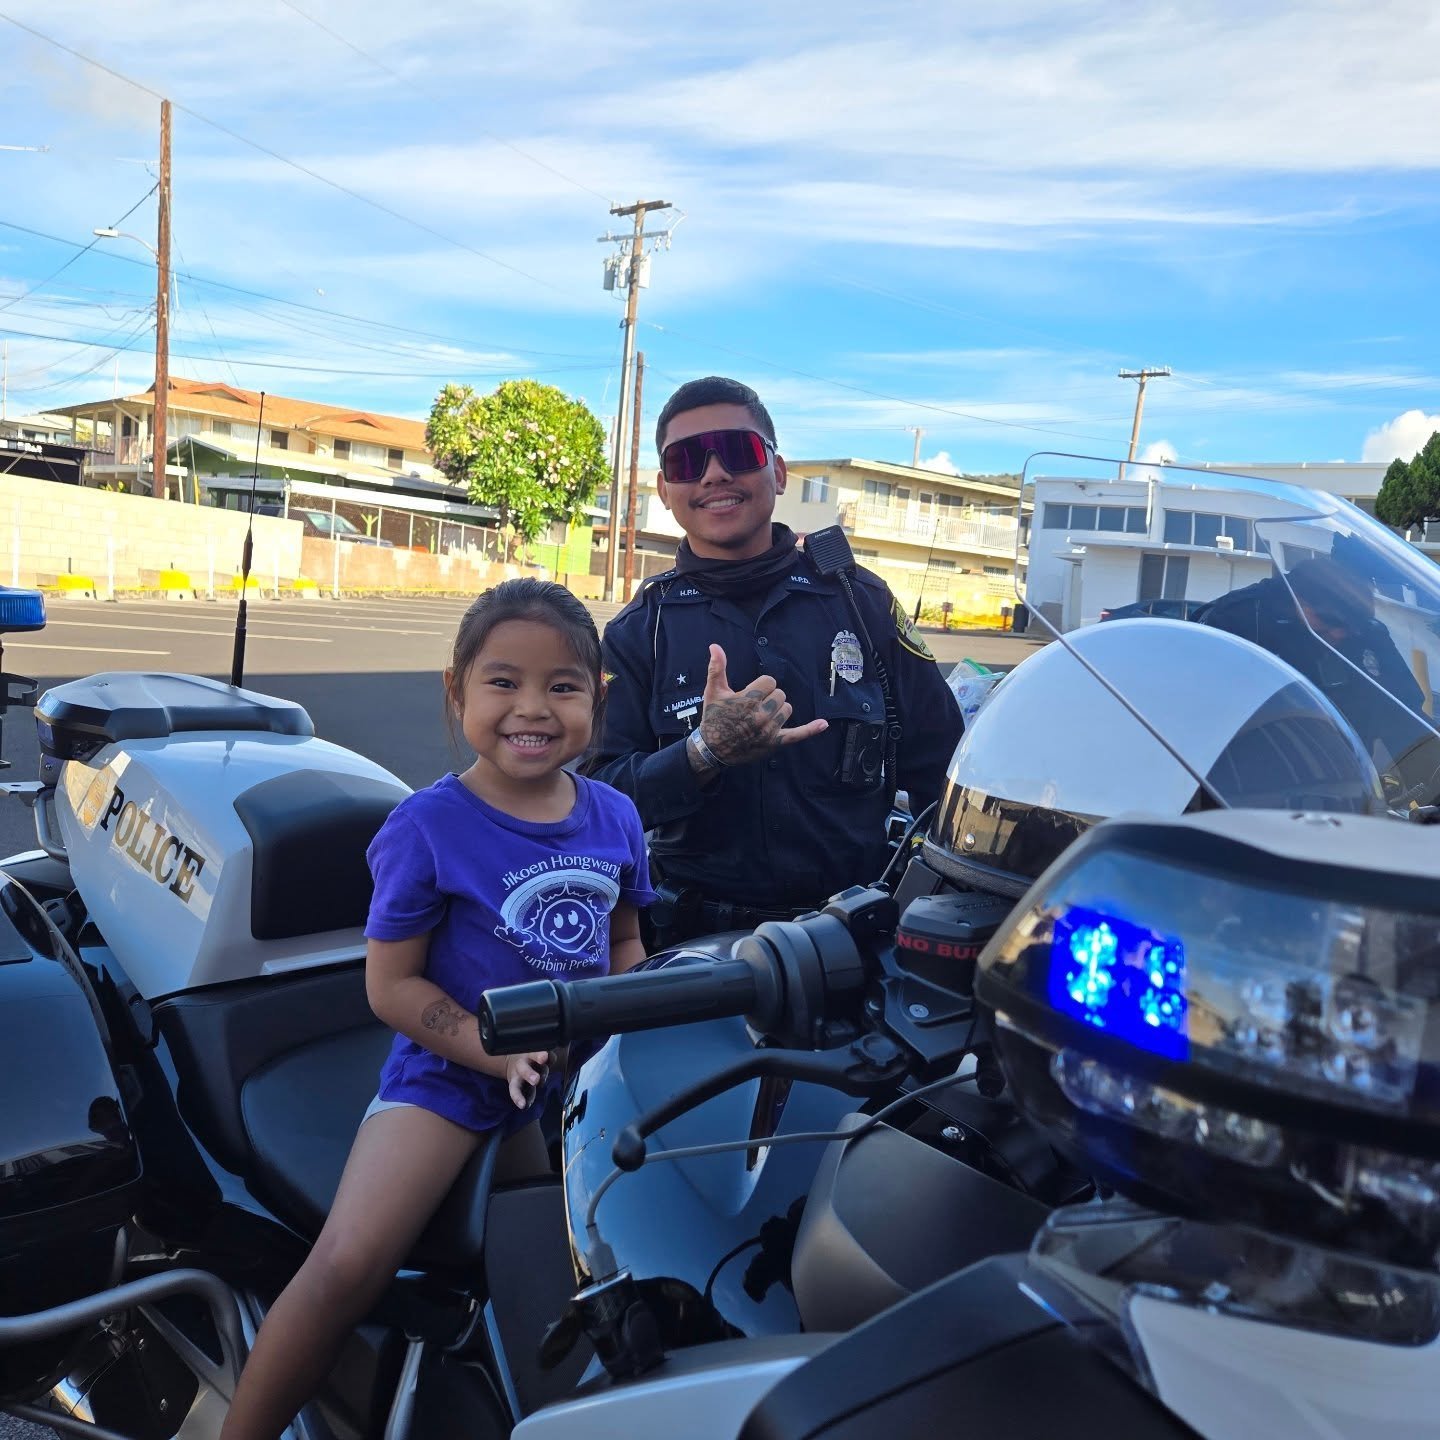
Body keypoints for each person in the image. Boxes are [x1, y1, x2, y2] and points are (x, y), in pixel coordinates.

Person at [219, 578, 655, 1440]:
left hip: (556, 1094)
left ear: (597, 700)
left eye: (562, 686)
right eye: (504, 682)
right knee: (348, 1265)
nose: (533, 708)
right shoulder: (427, 826)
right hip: (448, 1082)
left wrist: (635, 1030)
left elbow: (626, 944)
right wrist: (494, 1052)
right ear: (456, 691)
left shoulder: (616, 816)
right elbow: (391, 988)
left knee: (551, 1279)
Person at [585, 375, 963, 946]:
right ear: (664, 489)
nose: (714, 473)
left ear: (778, 472)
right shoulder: (641, 631)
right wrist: (702, 753)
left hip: (856, 938)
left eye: (738, 451)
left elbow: (944, 768)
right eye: (687, 460)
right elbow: (595, 802)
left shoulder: (863, 603)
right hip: (694, 949)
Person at [1199, 554, 1427, 767]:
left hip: (1348, 777)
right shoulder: (1238, 621)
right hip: (1247, 777)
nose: (1339, 633)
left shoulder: (1367, 633)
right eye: (1331, 621)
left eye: (1350, 626)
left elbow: (1404, 714)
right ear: (1298, 600)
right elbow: (1203, 717)